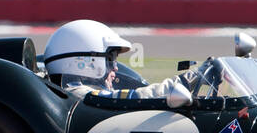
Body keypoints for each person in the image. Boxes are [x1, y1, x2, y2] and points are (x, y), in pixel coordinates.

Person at [43, 19, 194, 106]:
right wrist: (186, 80)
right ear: (84, 62)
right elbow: (135, 97)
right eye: (109, 60)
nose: (115, 67)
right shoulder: (79, 95)